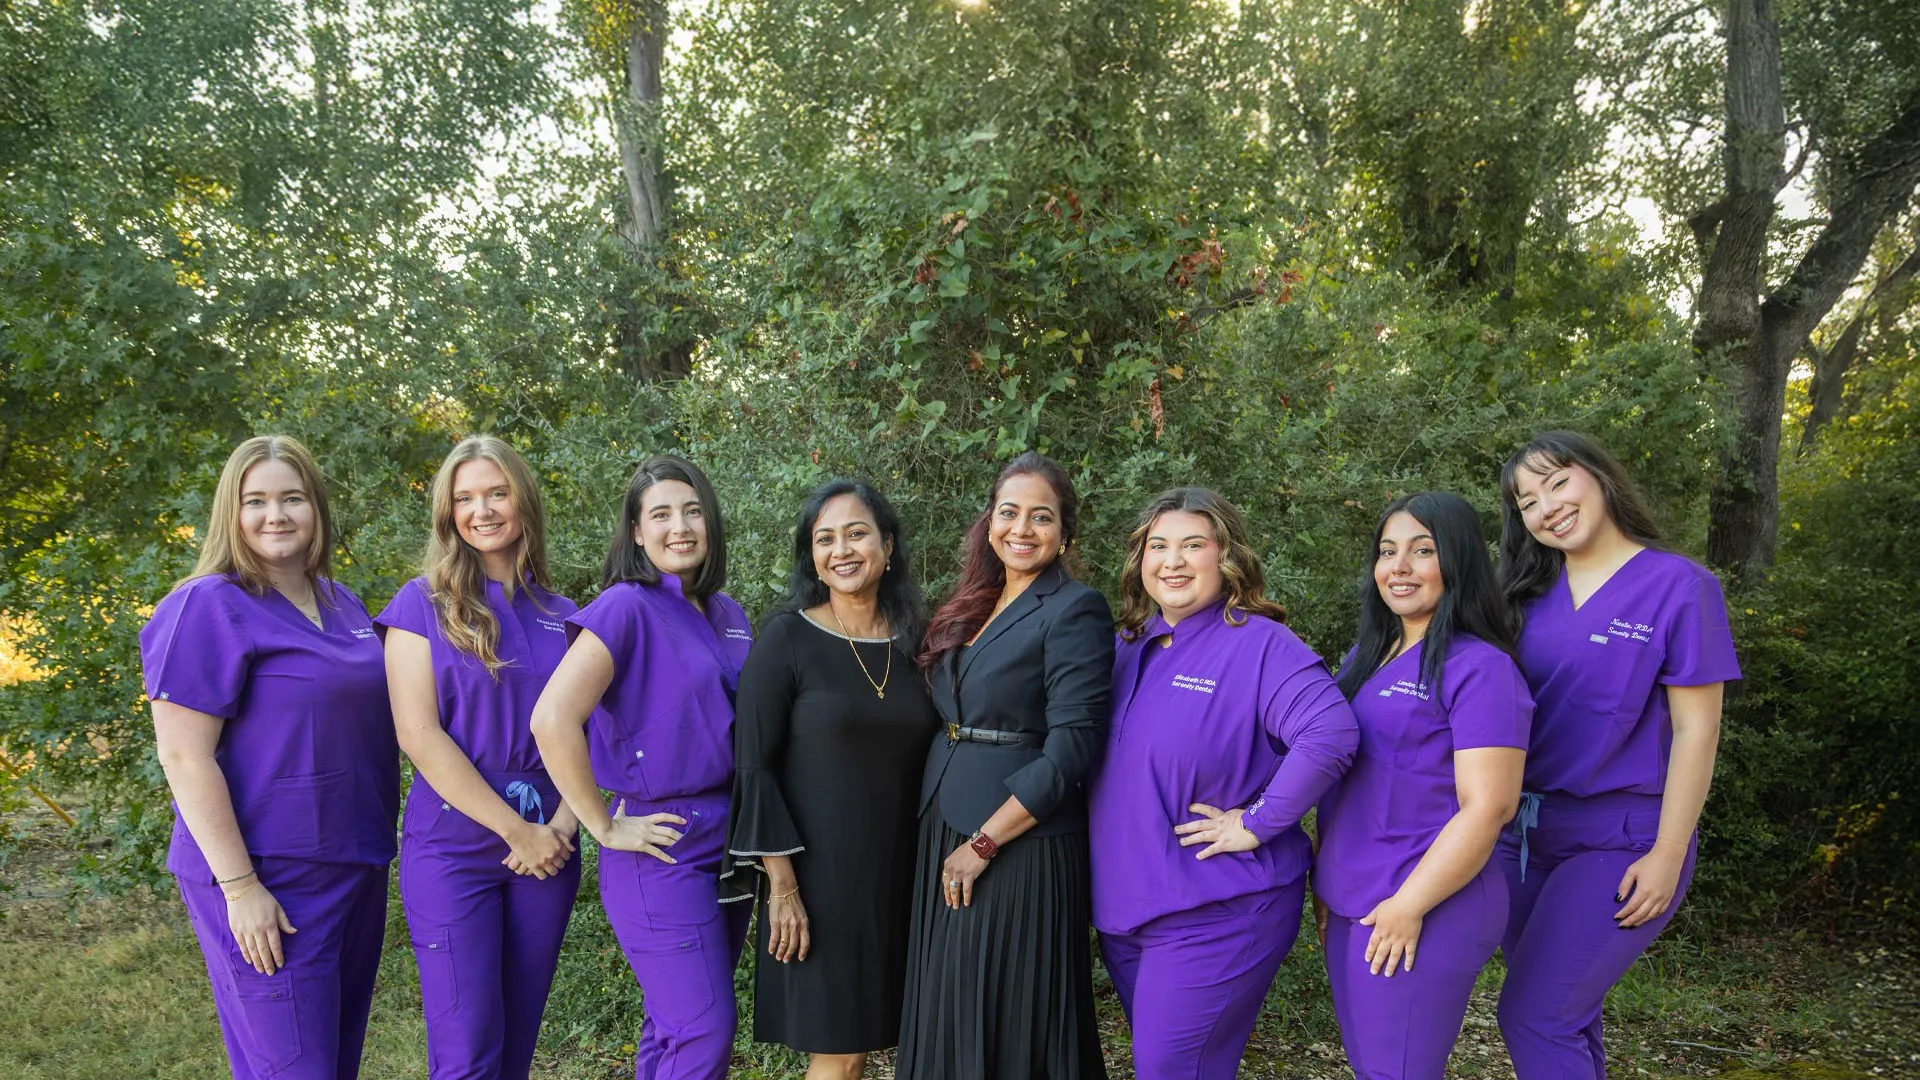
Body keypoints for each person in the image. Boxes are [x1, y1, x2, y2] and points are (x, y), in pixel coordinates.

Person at [140, 435, 399, 1080]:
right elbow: (181, 754)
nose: (275, 515)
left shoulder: (344, 605)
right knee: (293, 1065)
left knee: (332, 1060)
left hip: (354, 862)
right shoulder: (206, 604)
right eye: (255, 501)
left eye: (292, 498)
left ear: (317, 510)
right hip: (268, 877)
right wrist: (240, 886)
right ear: (232, 513)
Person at [1493, 432, 1740, 1080]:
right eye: (1527, 501)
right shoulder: (1522, 596)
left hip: (1623, 837)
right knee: (1568, 1017)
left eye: (1556, 482)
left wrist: (1666, 852)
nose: (1546, 507)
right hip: (1520, 839)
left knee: (1534, 1017)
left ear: (1599, 476)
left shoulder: (1680, 586)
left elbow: (1696, 733)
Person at [1091, 487, 1359, 1080]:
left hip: (1220, 910)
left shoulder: (1259, 645)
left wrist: (1258, 822)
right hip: (1130, 913)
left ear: (1227, 555)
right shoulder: (1125, 647)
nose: (1173, 561)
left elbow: (1331, 734)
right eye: (1158, 546)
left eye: (1193, 545)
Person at [530, 455, 753, 1080]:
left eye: (692, 511)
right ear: (635, 531)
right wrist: (602, 825)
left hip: (730, 839)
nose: (679, 526)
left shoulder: (728, 614)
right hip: (662, 846)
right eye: (660, 514)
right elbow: (552, 720)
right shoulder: (624, 607)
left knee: (672, 1026)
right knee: (704, 1030)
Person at [896, 452, 1114, 1080]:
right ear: (989, 519)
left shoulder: (1075, 608)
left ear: (1064, 533)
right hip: (943, 818)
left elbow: (1074, 744)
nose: (1021, 528)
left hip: (1018, 838)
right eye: (1008, 511)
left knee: (1006, 1009)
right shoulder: (973, 601)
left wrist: (985, 842)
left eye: (1040, 517)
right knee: (947, 1000)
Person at [377, 435, 580, 1080]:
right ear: (448, 514)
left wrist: (561, 830)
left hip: (549, 849)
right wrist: (516, 829)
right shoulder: (422, 605)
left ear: (524, 501)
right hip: (453, 849)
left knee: (517, 1042)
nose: (482, 510)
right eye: (464, 498)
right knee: (467, 1049)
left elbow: (593, 734)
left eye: (496, 492)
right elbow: (418, 733)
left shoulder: (568, 614)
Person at [721, 479, 938, 1080]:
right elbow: (754, 768)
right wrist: (783, 888)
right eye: (825, 539)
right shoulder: (786, 639)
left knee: (869, 1044)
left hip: (903, 876)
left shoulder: (919, 642)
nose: (841, 549)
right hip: (820, 880)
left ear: (888, 546)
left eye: (857, 533)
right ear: (811, 555)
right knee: (838, 1054)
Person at [1314, 492, 1532, 1080]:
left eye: (1422, 550)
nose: (1399, 567)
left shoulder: (1481, 668)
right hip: (1355, 898)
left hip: (1427, 901)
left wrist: (1409, 905)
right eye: (1388, 551)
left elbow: (1490, 807)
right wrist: (1328, 884)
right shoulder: (1369, 654)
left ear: (1457, 562)